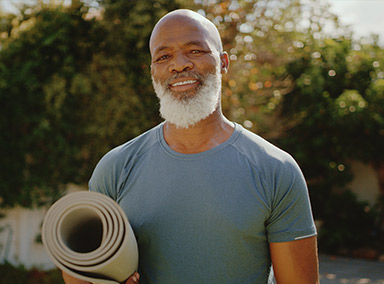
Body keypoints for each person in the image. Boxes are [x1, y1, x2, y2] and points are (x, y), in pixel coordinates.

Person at [62, 9, 319, 284]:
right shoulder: (115, 168)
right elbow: (80, 272)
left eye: (195, 51)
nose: (179, 65)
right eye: (163, 56)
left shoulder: (275, 169)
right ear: (153, 72)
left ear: (223, 62)